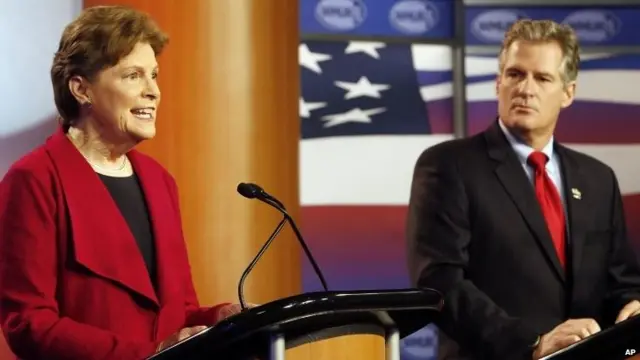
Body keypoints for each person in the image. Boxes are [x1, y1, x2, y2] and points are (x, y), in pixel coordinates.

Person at [0, 6, 246, 360]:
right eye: (133, 76)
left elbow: (176, 313)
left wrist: (221, 318)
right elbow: (28, 324)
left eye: (154, 75)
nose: (153, 92)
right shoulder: (35, 180)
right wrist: (148, 354)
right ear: (81, 89)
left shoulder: (160, 182)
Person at [406, 19, 640, 359]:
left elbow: (622, 281)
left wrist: (633, 306)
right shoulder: (448, 165)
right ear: (498, 82)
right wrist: (534, 343)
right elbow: (439, 282)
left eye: (542, 78)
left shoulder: (598, 179)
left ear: (568, 92)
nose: (526, 89)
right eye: (515, 74)